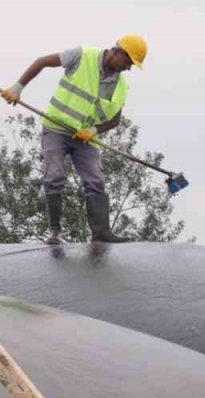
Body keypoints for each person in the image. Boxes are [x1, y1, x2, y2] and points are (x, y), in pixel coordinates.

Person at [2, 35, 148, 245]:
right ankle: (55, 233)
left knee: (96, 180)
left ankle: (101, 233)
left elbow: (115, 120)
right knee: (55, 176)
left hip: (84, 139)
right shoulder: (82, 55)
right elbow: (42, 61)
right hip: (56, 130)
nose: (128, 68)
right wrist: (18, 87)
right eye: (128, 62)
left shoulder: (121, 85)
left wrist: (94, 129)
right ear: (117, 51)